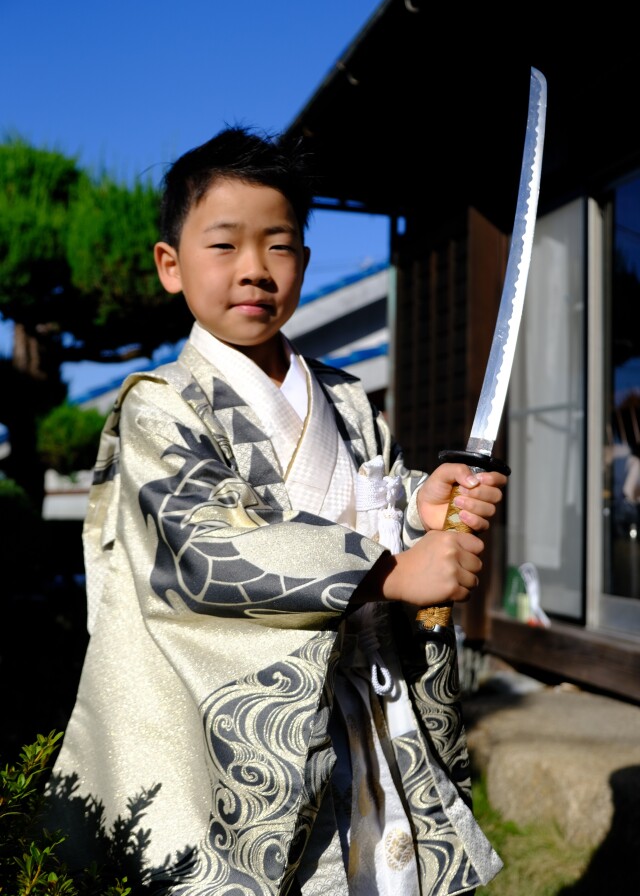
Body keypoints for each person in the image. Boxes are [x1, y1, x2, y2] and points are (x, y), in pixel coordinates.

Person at [47, 126, 507, 896]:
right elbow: (209, 550)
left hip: (363, 703)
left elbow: (375, 496)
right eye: (224, 245)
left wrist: (421, 505)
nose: (256, 270)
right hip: (237, 733)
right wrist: (393, 571)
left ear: (304, 260)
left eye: (281, 246)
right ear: (171, 264)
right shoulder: (159, 409)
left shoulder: (344, 396)